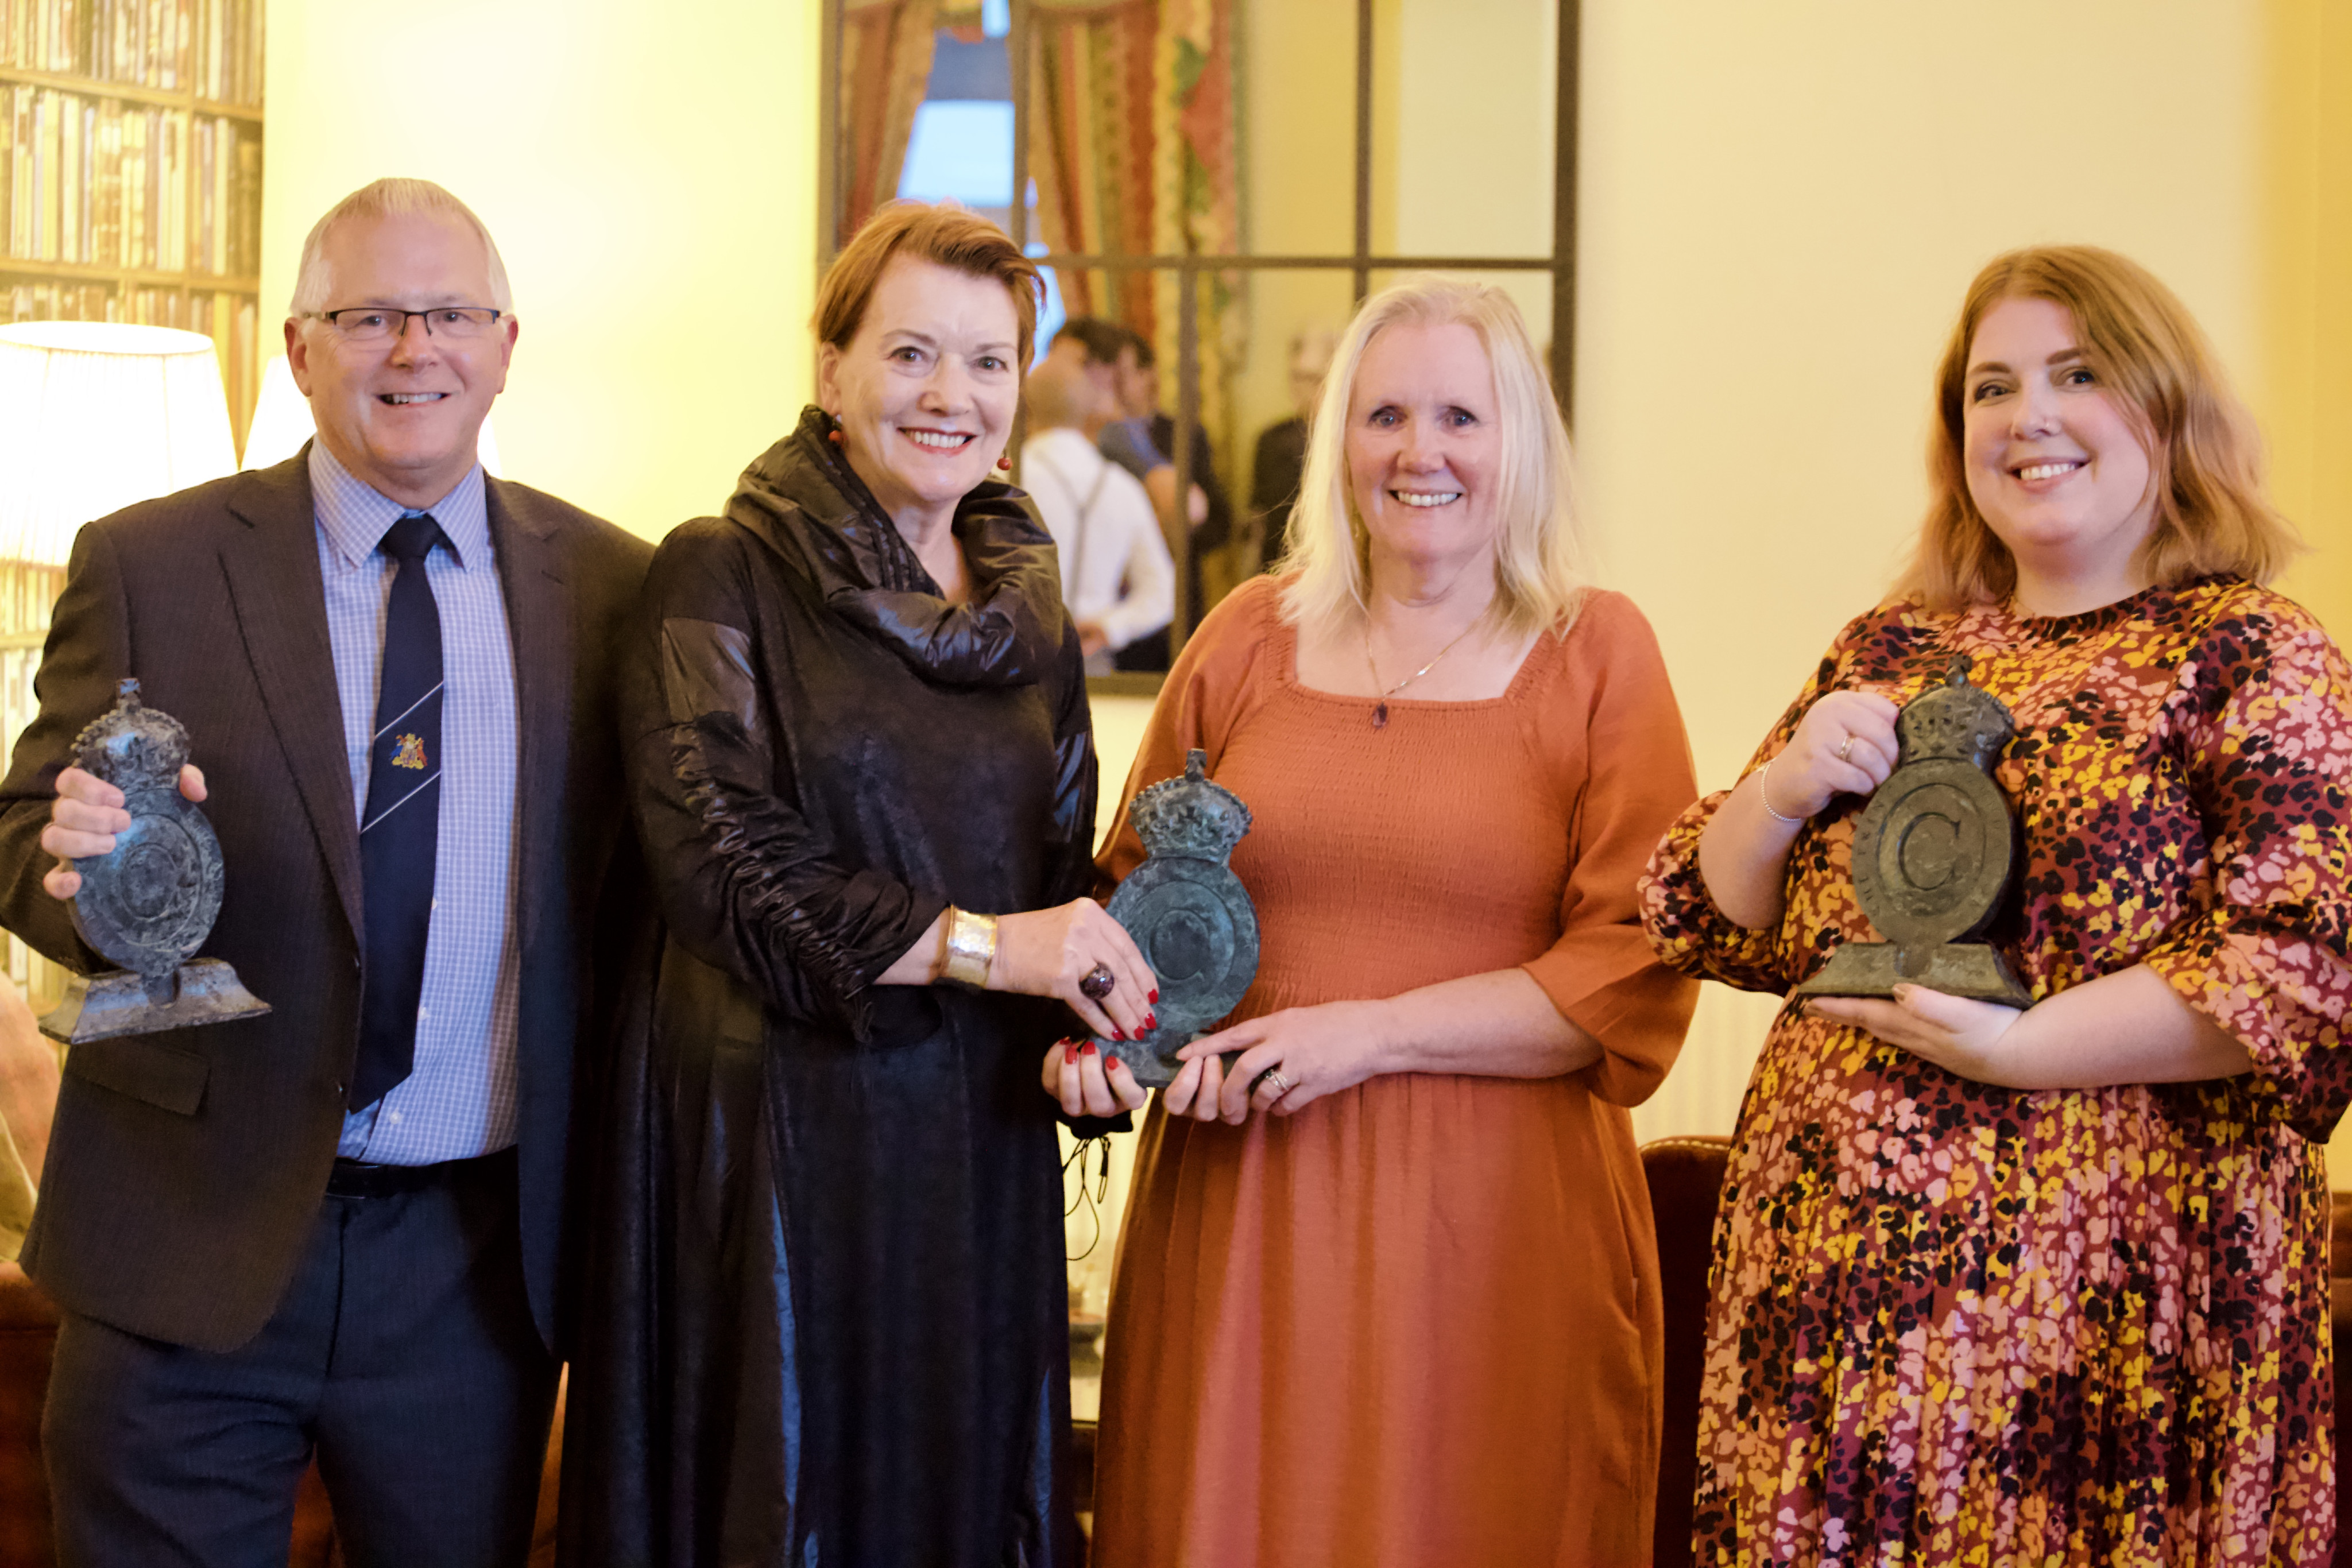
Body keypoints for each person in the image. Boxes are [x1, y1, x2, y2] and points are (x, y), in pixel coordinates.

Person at [1638, 244, 2348, 1562]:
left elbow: (2295, 975)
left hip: (2114, 1331)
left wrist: (2021, 1051)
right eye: (1991, 386)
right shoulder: (1888, 645)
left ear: (2167, 410)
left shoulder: (2255, 652)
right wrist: (1784, 786)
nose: (2026, 415)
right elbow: (1699, 913)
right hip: (1834, 1321)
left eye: (2077, 375)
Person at [0, 177, 651, 1566]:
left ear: (505, 345)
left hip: (474, 1272)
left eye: (450, 315)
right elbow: (19, 837)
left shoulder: (613, 588)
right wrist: (61, 865)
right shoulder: (153, 563)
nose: (415, 351)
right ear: (299, 348)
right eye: (369, 317)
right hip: (182, 1237)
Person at [1057, 274, 1702, 1566]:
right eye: (1384, 414)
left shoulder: (1598, 653)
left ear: (1516, 440)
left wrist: (1371, 1035)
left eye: (1460, 416)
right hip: (1243, 1216)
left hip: (1499, 1229)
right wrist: (1104, 1040)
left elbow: (1630, 968)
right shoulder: (1243, 639)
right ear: (1336, 438)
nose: (1420, 452)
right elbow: (1129, 910)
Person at [564, 201, 1154, 1568]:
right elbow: (730, 871)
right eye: (910, 354)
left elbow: (1058, 868)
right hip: (776, 1148)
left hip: (972, 1157)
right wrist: (999, 953)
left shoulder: (1028, 605)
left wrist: (1083, 1036)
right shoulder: (717, 569)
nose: (952, 395)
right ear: (829, 369)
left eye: (990, 360)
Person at [1021, 355, 1174, 670]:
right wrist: (1110, 627)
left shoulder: (1003, 477)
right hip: (1092, 665)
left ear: (1023, 407)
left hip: (1012, 660)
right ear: (1088, 412)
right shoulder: (1123, 488)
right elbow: (1161, 595)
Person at [1247, 324, 1340, 574]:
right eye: (1296, 376)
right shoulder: (1271, 440)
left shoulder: (1349, 439)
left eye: (1312, 378)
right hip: (1276, 572)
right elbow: (1259, 523)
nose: (1301, 387)